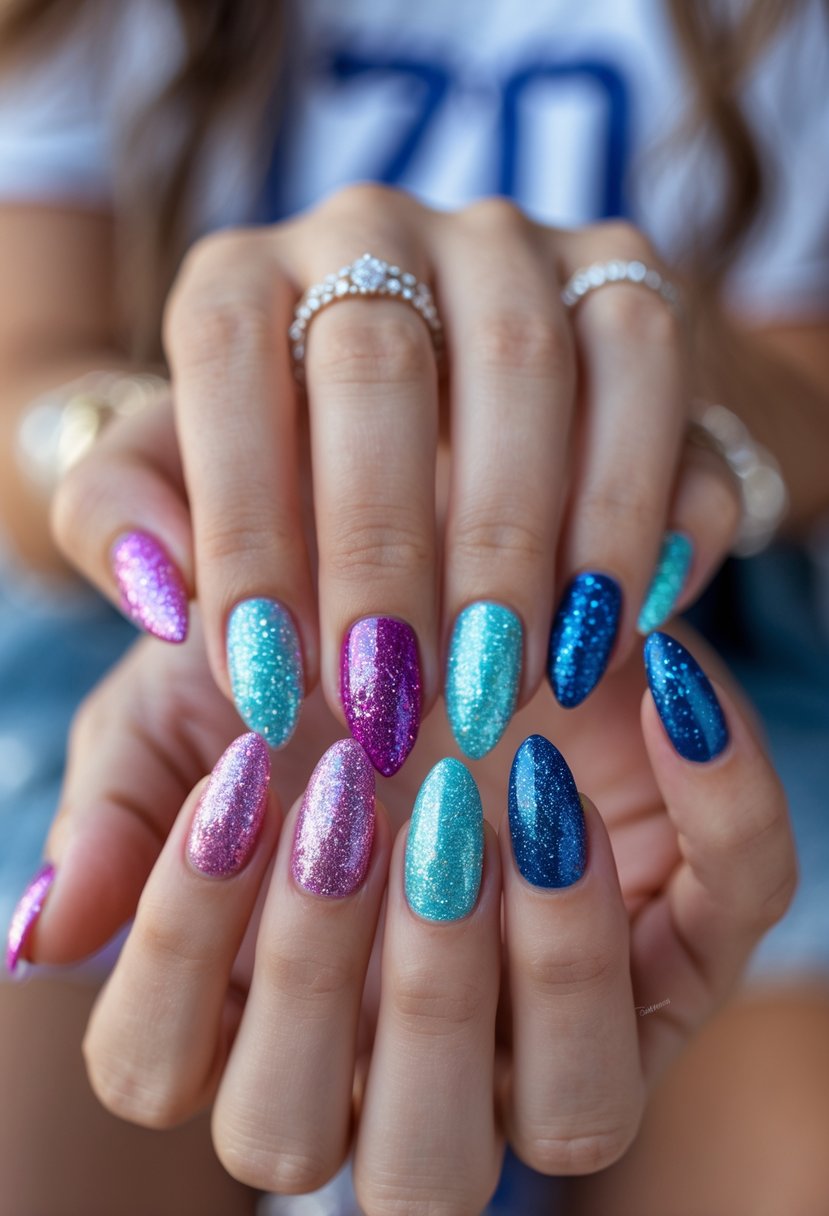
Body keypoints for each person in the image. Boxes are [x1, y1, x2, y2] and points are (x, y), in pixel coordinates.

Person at [0, 1, 827, 1212]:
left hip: (676, 686)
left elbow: (809, 394)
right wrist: (111, 459)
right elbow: (27, 356)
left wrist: (614, 369)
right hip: (170, 681)